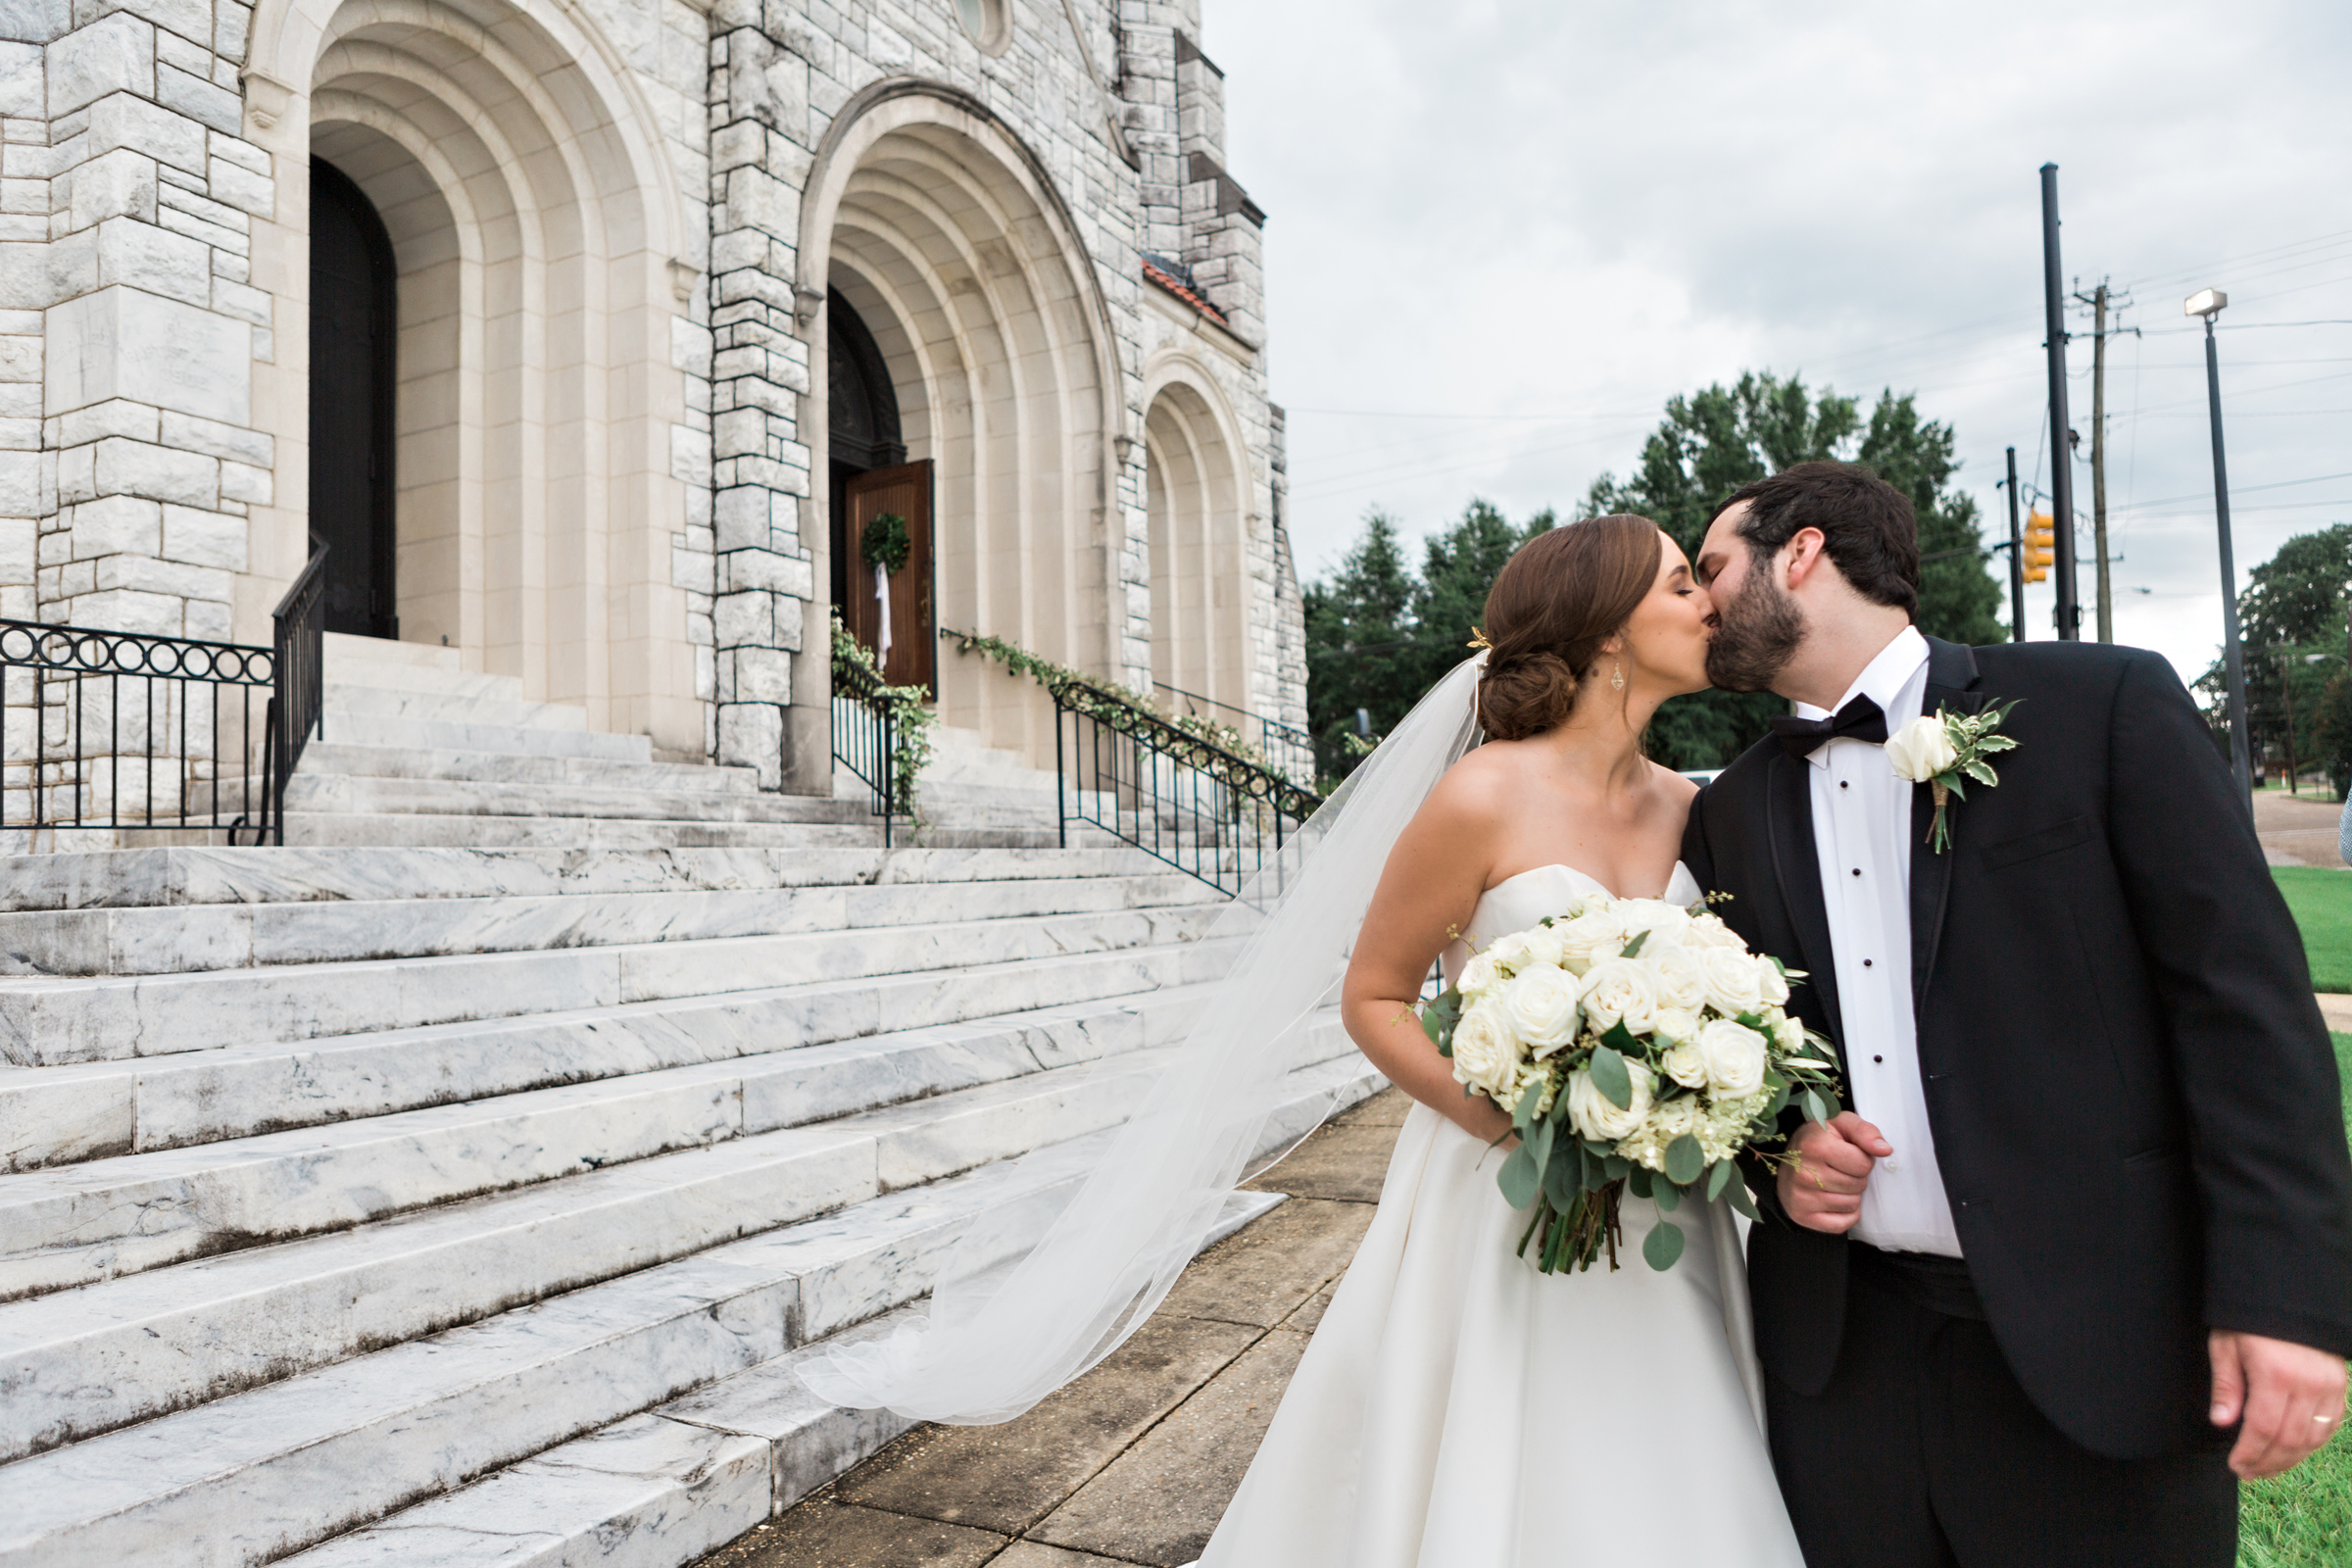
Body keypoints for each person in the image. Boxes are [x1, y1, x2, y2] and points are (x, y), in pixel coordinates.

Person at [1681, 461, 2352, 1567]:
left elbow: (2244, 1012)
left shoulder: (2104, 707)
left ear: (1798, 553)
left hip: (2100, 1341)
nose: (1701, 603)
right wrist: (1781, 1159)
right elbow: (1748, 1060)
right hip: (1844, 1366)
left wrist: (2285, 1298)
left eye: (1711, 568)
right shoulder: (1734, 807)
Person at [1193, 514, 1804, 1565]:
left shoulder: (1696, 808)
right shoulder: (1480, 795)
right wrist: (1522, 1123)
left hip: (1673, 1199)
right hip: (1510, 1187)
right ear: (1608, 631)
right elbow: (1375, 998)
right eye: (1678, 585)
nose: (1710, 602)